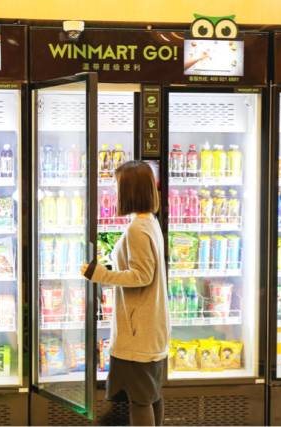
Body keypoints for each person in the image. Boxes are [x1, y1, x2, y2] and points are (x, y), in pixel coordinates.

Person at [81, 160, 170, 426]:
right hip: (149, 326)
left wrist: (100, 274)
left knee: (140, 399)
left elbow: (142, 276)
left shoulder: (137, 229)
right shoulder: (148, 222)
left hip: (138, 331)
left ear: (129, 191)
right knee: (150, 394)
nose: (114, 190)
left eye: (117, 185)